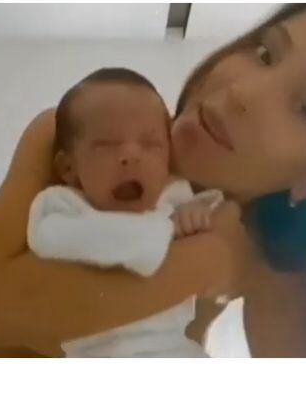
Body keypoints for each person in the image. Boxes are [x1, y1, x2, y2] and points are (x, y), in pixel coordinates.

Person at [0, 3, 306, 357]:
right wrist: (207, 260)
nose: (241, 93)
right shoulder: (74, 140)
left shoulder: (269, 259)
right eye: (265, 54)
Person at [27, 67, 223, 357]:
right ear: (68, 168)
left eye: (150, 144)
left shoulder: (172, 199)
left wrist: (195, 214)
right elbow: (51, 239)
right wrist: (164, 232)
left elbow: (214, 215)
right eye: (106, 145)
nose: (131, 156)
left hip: (173, 347)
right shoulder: (63, 206)